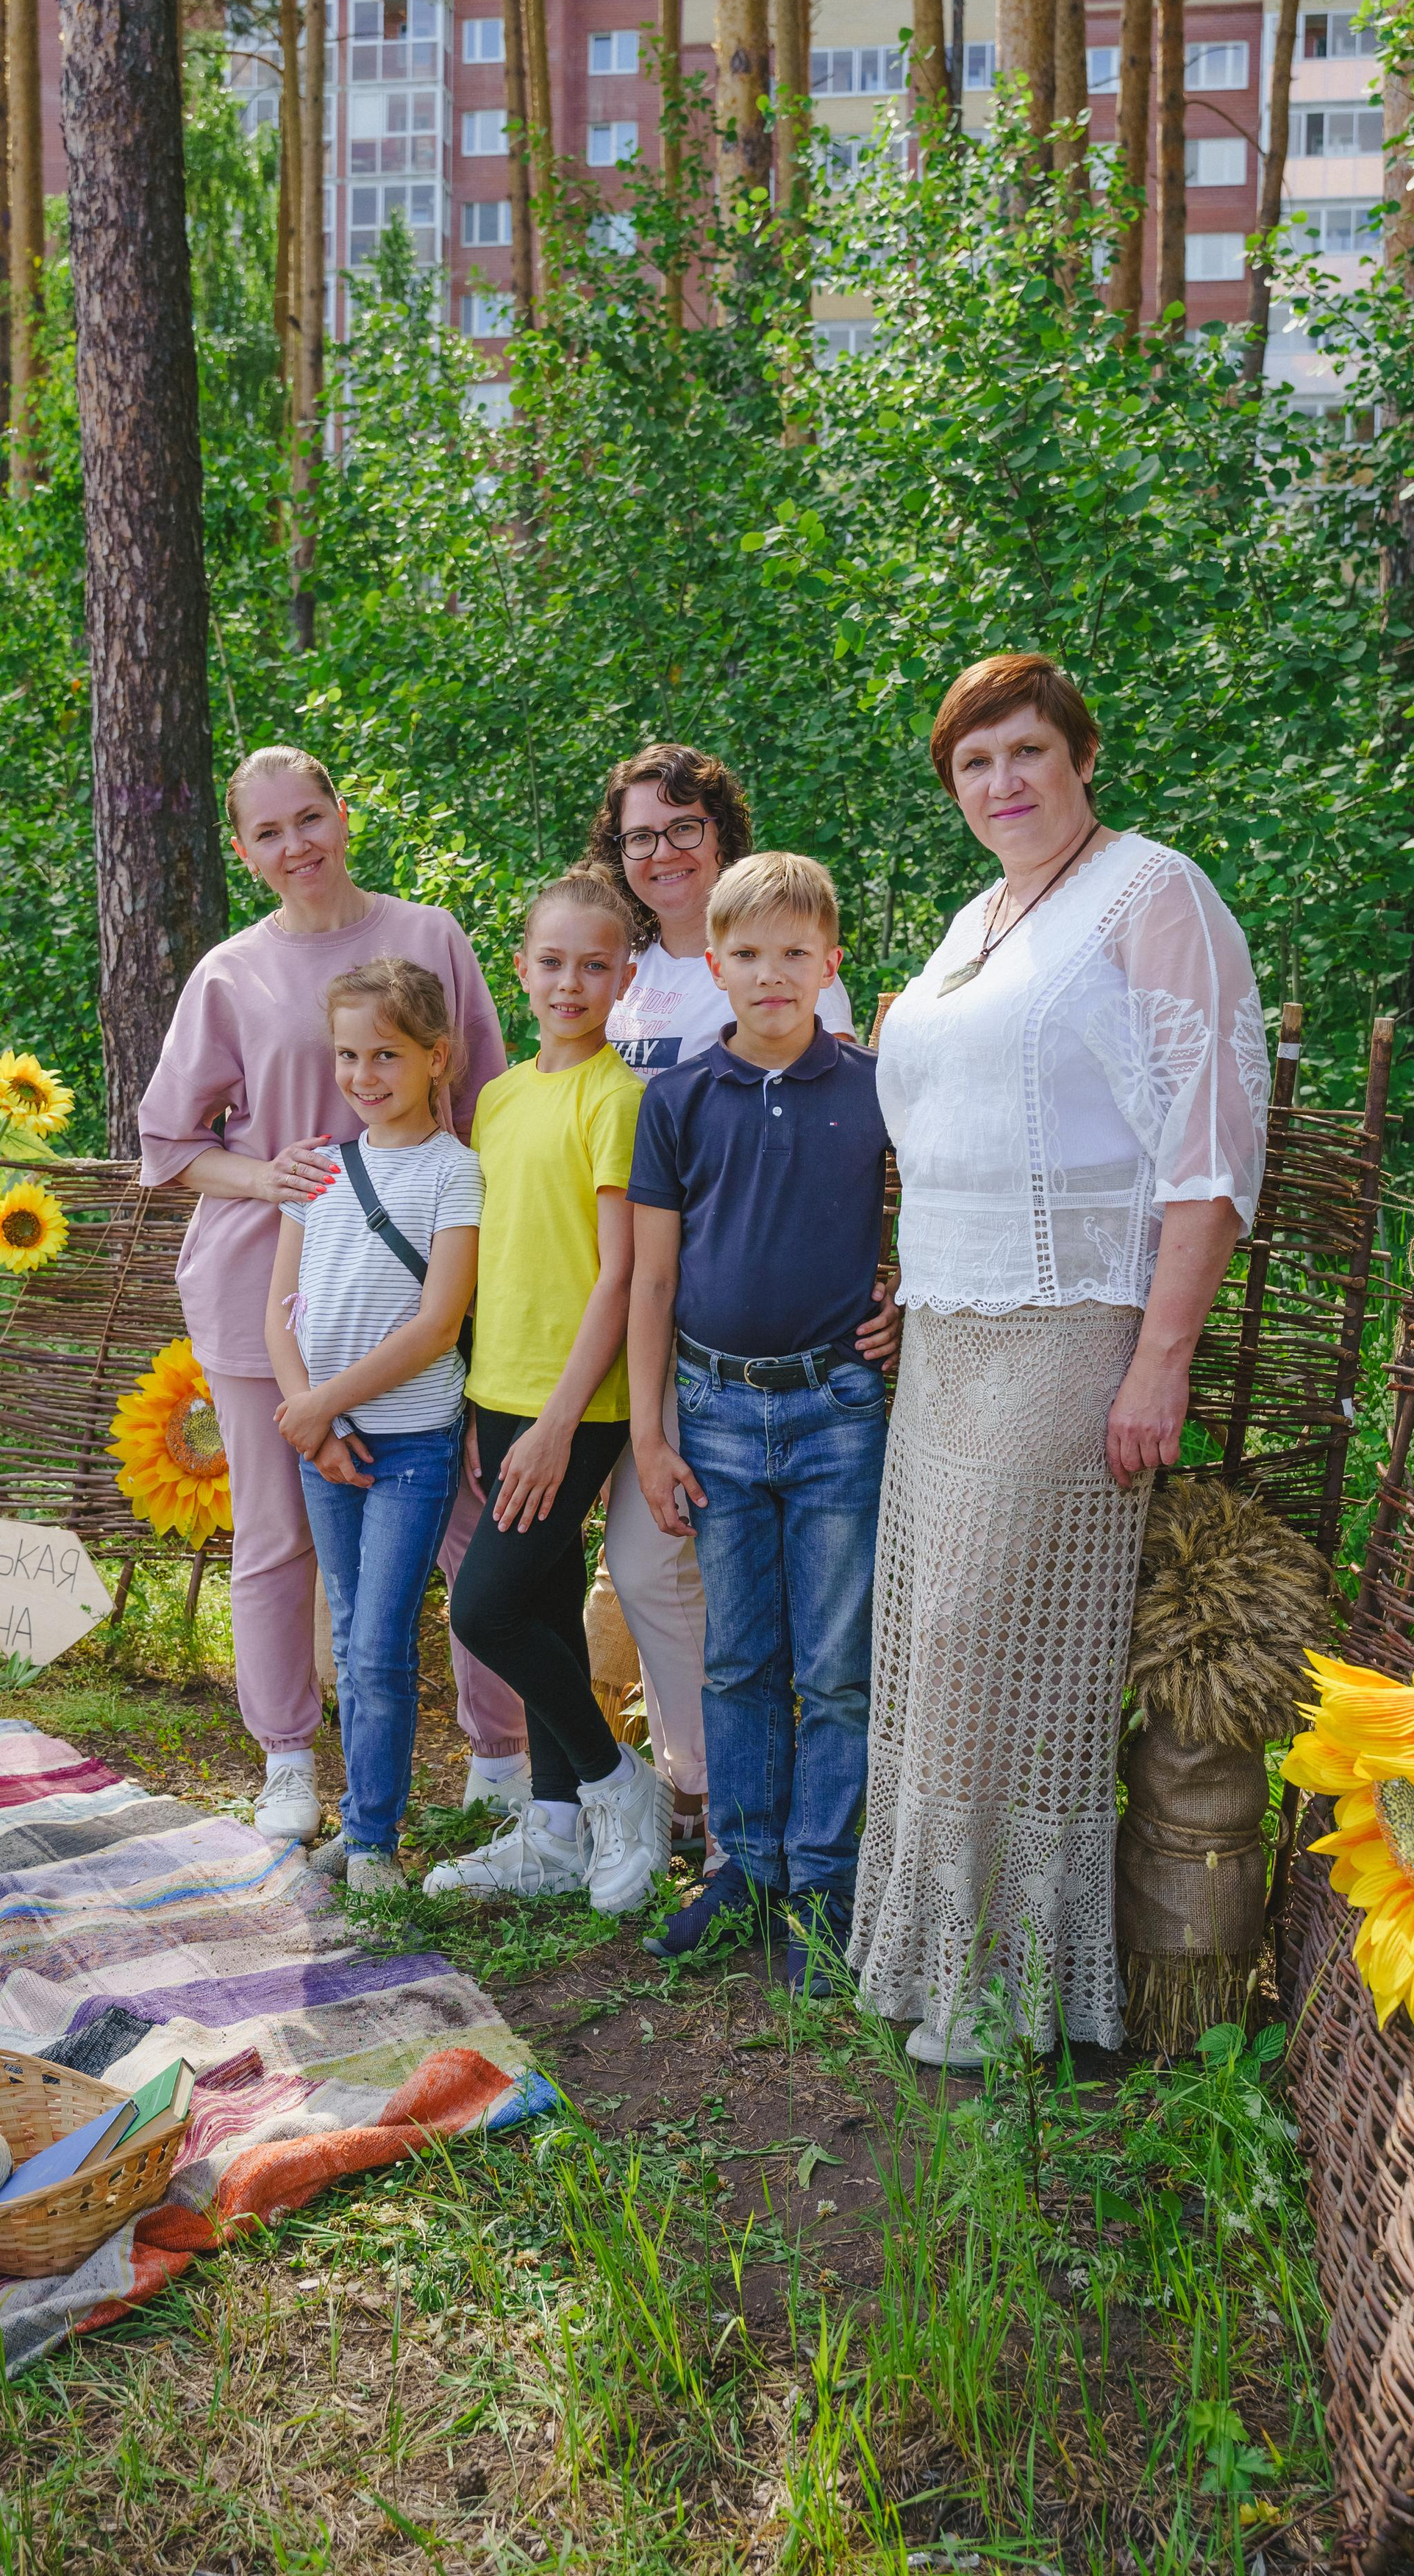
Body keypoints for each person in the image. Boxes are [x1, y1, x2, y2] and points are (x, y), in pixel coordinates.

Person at [847, 655, 1267, 2066]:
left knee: (996, 1642)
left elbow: (1213, 1148)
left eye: (1027, 751)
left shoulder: (1154, 894)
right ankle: (934, 1964)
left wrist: (1163, 1358)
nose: (1003, 782)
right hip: (952, 1338)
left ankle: (1012, 1985)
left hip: (1079, 1323)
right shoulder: (977, 921)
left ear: (1083, 756)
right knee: (927, 1644)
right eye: (974, 764)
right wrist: (919, 1280)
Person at [138, 746, 515, 1844]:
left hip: (425, 1288)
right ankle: (290, 1760)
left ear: (344, 815)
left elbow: (488, 1105)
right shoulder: (229, 974)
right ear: (246, 851)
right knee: (277, 1538)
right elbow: (168, 1142)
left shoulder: (429, 936)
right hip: (273, 1296)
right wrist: (267, 1173)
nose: (296, 845)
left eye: (311, 817)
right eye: (269, 832)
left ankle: (498, 1753)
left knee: (465, 1522)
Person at [627, 853, 899, 1991]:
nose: (772, 974)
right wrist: (651, 1434)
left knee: (837, 1665)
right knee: (739, 1656)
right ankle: (744, 1867)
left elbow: (945, 1207)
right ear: (713, 964)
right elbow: (648, 1281)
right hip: (717, 1407)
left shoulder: (879, 1087)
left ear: (832, 964)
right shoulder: (680, 1098)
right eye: (748, 954)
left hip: (838, 1407)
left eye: (796, 953)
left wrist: (906, 1295)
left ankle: (824, 1885)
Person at [585, 744, 857, 1854]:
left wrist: (874, 1279)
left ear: (722, 833)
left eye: (683, 827)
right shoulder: (629, 970)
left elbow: (842, 1147)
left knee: (713, 1580)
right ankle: (667, 1787)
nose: (661, 852)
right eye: (639, 835)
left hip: (755, 1320)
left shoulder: (777, 961)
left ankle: (723, 1807)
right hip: (625, 1294)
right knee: (640, 1560)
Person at [424, 868, 672, 1913]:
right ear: (520, 968)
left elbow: (617, 1274)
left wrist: (559, 1423)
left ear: (624, 977)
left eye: (595, 965)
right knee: (543, 1603)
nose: (571, 981)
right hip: (498, 1384)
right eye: (552, 961)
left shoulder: (620, 1100)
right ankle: (557, 1829)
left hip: (580, 1402)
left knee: (483, 1608)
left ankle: (623, 1788)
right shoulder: (497, 1098)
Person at [263, 960, 481, 1895]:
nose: (364, 1076)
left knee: (380, 1641)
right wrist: (308, 1419)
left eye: (385, 1055)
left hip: (409, 1446)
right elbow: (281, 1309)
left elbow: (438, 1326)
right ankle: (358, 1832)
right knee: (347, 1631)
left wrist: (321, 1406)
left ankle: (375, 1845)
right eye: (349, 1054)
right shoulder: (318, 1168)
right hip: (326, 1444)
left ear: (437, 1058)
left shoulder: (455, 1173)